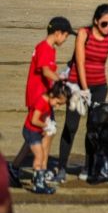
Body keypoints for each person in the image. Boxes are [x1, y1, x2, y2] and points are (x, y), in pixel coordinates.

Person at [61, 5, 108, 182]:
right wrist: (84, 90)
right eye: (104, 23)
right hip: (77, 84)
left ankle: (88, 166)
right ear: (95, 22)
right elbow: (80, 62)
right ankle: (61, 168)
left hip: (99, 86)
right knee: (71, 126)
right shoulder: (84, 34)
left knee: (93, 130)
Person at [7, 17, 75, 184]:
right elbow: (45, 71)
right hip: (40, 97)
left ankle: (14, 168)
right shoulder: (45, 48)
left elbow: (49, 73)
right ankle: (41, 171)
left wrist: (60, 77)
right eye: (66, 36)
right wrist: (64, 82)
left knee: (33, 136)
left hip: (41, 96)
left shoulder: (48, 48)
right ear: (58, 33)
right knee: (47, 132)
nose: (65, 40)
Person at [23, 81, 70, 194]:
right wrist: (46, 125)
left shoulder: (48, 102)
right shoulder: (42, 102)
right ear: (52, 95)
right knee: (39, 156)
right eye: (58, 103)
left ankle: (38, 180)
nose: (57, 106)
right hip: (30, 131)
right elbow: (34, 120)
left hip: (35, 131)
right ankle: (38, 184)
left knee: (41, 155)